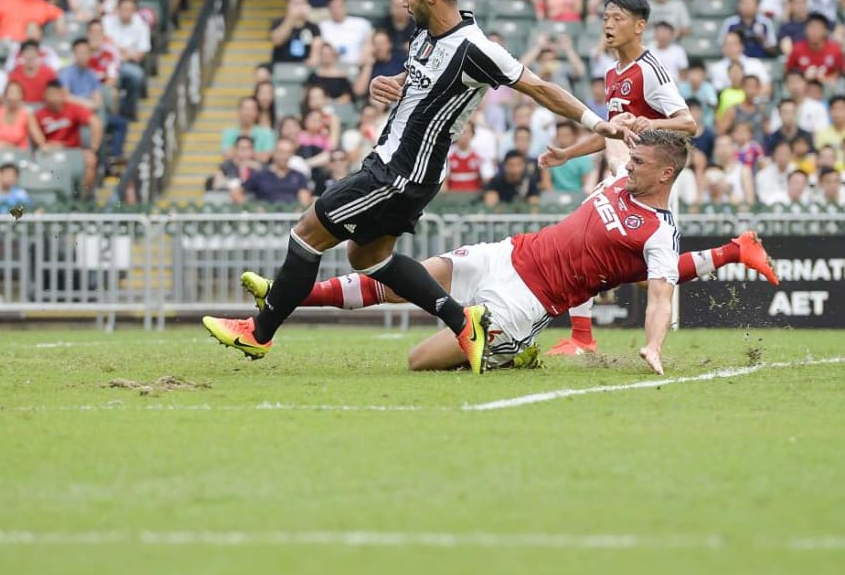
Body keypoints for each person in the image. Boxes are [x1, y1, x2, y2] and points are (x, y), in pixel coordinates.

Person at [202, 0, 632, 360]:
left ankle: (259, 333)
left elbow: (540, 88)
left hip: (400, 172)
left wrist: (597, 124)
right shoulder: (425, 36)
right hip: (399, 167)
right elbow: (418, 82)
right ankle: (464, 324)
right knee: (366, 258)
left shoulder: (477, 49)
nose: (402, 1)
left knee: (306, 232)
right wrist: (387, 83)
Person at [241, 133, 778, 375]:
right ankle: (289, 297)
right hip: (507, 255)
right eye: (630, 159)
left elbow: (659, 294)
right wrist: (576, 146)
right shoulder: (622, 179)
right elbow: (613, 141)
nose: (628, 165)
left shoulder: (660, 230)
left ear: (665, 174)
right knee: (408, 277)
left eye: (640, 162)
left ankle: (513, 352)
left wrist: (654, 347)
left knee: (417, 361)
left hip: (526, 303)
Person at [539, 0, 695, 355]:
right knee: (639, 271)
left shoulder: (651, 71)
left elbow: (688, 123)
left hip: (642, 179)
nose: (608, 25)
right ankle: (729, 254)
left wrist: (646, 123)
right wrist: (568, 154)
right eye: (605, 18)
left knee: (582, 245)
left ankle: (582, 337)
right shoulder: (612, 74)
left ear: (639, 26)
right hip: (621, 174)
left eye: (617, 19)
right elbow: (611, 133)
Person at [36, 81, 104, 195]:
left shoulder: (73, 109)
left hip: (73, 152)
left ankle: (83, 200)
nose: (53, 98)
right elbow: (38, 139)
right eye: (50, 94)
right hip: (51, 154)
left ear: (62, 94)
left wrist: (93, 149)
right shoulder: (39, 114)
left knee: (91, 162)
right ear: (45, 95)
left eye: (56, 94)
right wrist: (45, 145)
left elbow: (96, 122)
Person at [233, 137, 313, 207]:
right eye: (281, 152)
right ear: (274, 152)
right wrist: (252, 209)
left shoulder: (299, 176)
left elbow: (304, 201)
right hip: (265, 222)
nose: (285, 156)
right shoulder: (260, 175)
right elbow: (236, 193)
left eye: (289, 152)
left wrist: (299, 210)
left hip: (292, 221)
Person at [317, 0, 372, 67]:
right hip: (330, 68)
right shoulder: (321, 26)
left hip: (357, 66)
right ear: (329, 9)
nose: (337, 10)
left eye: (339, 6)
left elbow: (370, 43)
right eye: (333, 7)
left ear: (345, 7)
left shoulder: (361, 24)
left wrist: (364, 59)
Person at [787, 13, 843, 83]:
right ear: (805, 30)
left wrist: (830, 79)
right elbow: (788, 71)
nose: (814, 31)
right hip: (804, 89)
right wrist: (803, 78)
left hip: (829, 89)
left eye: (818, 28)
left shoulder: (835, 49)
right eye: (811, 27)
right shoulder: (797, 49)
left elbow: (840, 71)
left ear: (825, 30)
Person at [270, 0, 321, 66]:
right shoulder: (278, 23)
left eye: (302, 3)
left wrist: (313, 60)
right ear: (288, 5)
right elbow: (277, 41)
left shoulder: (313, 27)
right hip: (282, 67)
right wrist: (291, 18)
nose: (299, 6)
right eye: (295, 3)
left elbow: (317, 48)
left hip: (305, 67)